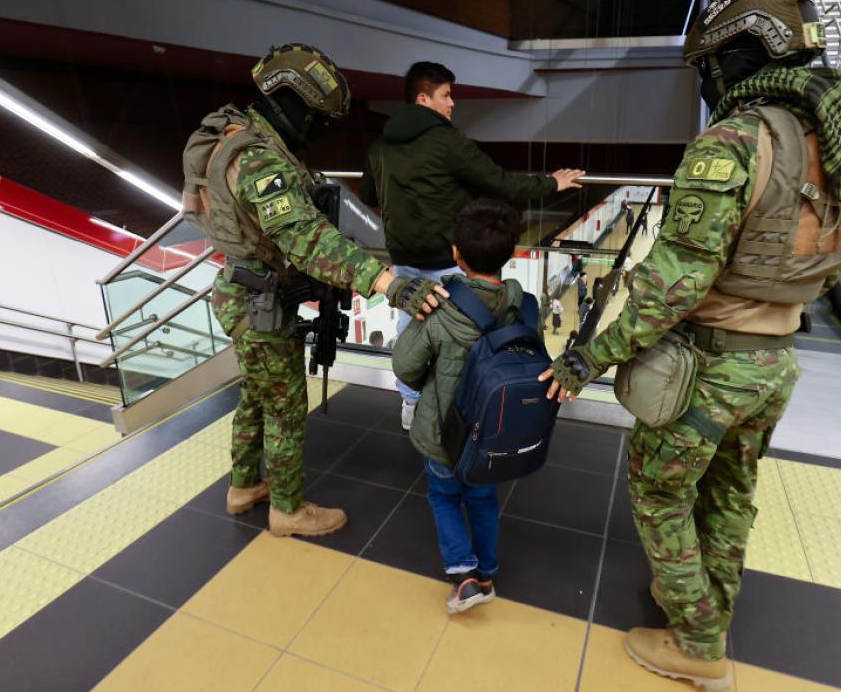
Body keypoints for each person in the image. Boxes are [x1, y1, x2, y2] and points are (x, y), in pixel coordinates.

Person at [541, 0, 841, 690]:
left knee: (659, 494)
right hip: (776, 359)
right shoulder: (836, 137)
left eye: (714, 59)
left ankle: (697, 645)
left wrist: (588, 359)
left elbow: (672, 287)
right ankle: (707, 607)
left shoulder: (735, 142)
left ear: (745, 51)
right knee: (730, 490)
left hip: (710, 366)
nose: (709, 76)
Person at [182, 43, 445, 538]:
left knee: (259, 395)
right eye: (318, 120)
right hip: (257, 301)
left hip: (243, 287)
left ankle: (243, 486)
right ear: (294, 103)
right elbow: (305, 237)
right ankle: (287, 509)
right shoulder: (259, 160)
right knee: (284, 404)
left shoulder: (237, 132)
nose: (318, 131)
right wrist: (388, 283)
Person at [360, 61, 584, 430]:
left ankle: (411, 404)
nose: (453, 104)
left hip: (402, 259)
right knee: (463, 336)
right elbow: (499, 182)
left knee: (411, 331)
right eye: (446, 95)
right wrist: (550, 184)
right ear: (423, 98)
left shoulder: (381, 144)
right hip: (448, 260)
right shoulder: (446, 141)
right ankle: (463, 409)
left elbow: (369, 192)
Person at [392, 199, 524, 613]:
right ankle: (486, 572)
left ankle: (464, 574)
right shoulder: (520, 305)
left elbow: (405, 365)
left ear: (455, 254)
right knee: (483, 499)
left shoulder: (440, 306)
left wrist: (427, 384)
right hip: (493, 432)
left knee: (444, 495)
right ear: (512, 254)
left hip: (442, 431)